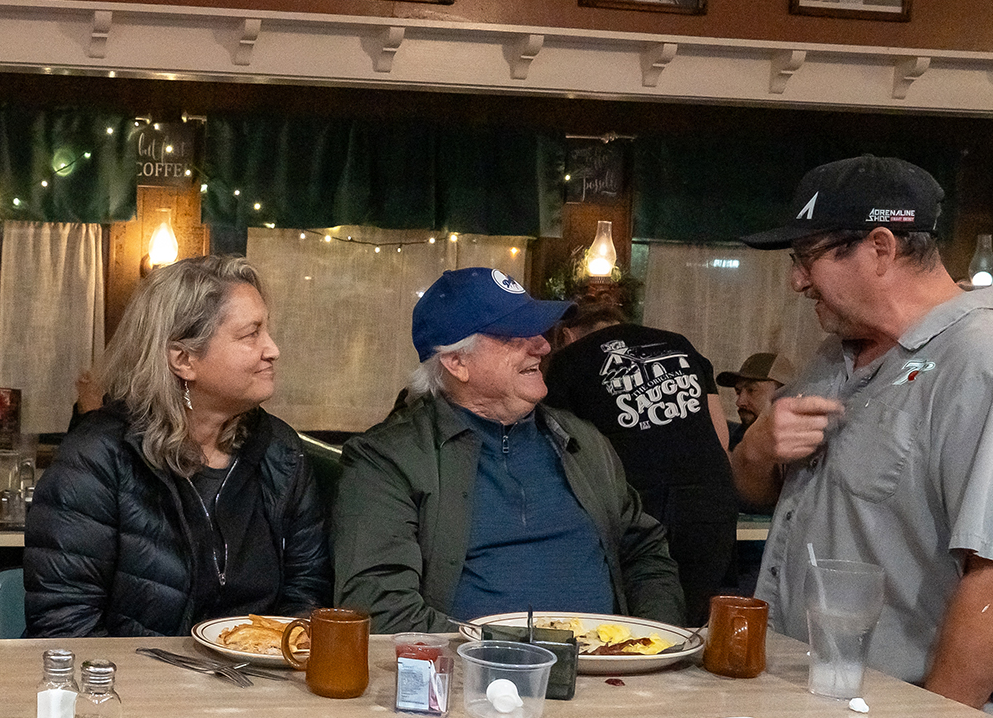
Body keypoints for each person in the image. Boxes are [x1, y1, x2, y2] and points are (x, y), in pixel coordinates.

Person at [730, 155, 993, 717]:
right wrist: (756, 446)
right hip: (812, 700)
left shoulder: (988, 365)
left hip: (907, 717)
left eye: (807, 257)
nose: (797, 280)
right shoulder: (833, 356)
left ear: (880, 247)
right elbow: (755, 492)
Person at [333, 267, 684, 631]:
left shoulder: (582, 441)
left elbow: (645, 555)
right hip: (472, 679)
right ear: (457, 362)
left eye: (538, 330)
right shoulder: (388, 459)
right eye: (515, 335)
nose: (544, 346)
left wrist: (653, 642)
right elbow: (380, 607)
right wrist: (535, 657)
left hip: (610, 673)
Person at [23, 254, 330, 637]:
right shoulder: (96, 457)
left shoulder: (280, 450)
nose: (272, 349)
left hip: (258, 686)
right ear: (184, 359)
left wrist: (273, 659)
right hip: (134, 690)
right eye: (251, 334)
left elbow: (307, 593)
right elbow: (64, 627)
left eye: (266, 331)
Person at [543, 299, 736, 624]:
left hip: (638, 504)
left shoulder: (568, 360)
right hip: (709, 500)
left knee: (633, 625)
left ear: (567, 334)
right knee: (694, 623)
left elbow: (560, 446)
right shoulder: (678, 344)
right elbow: (721, 437)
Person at [717, 352, 795, 449]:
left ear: (784, 394)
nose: (739, 402)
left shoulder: (803, 450)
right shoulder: (727, 440)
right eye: (738, 391)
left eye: (752, 390)